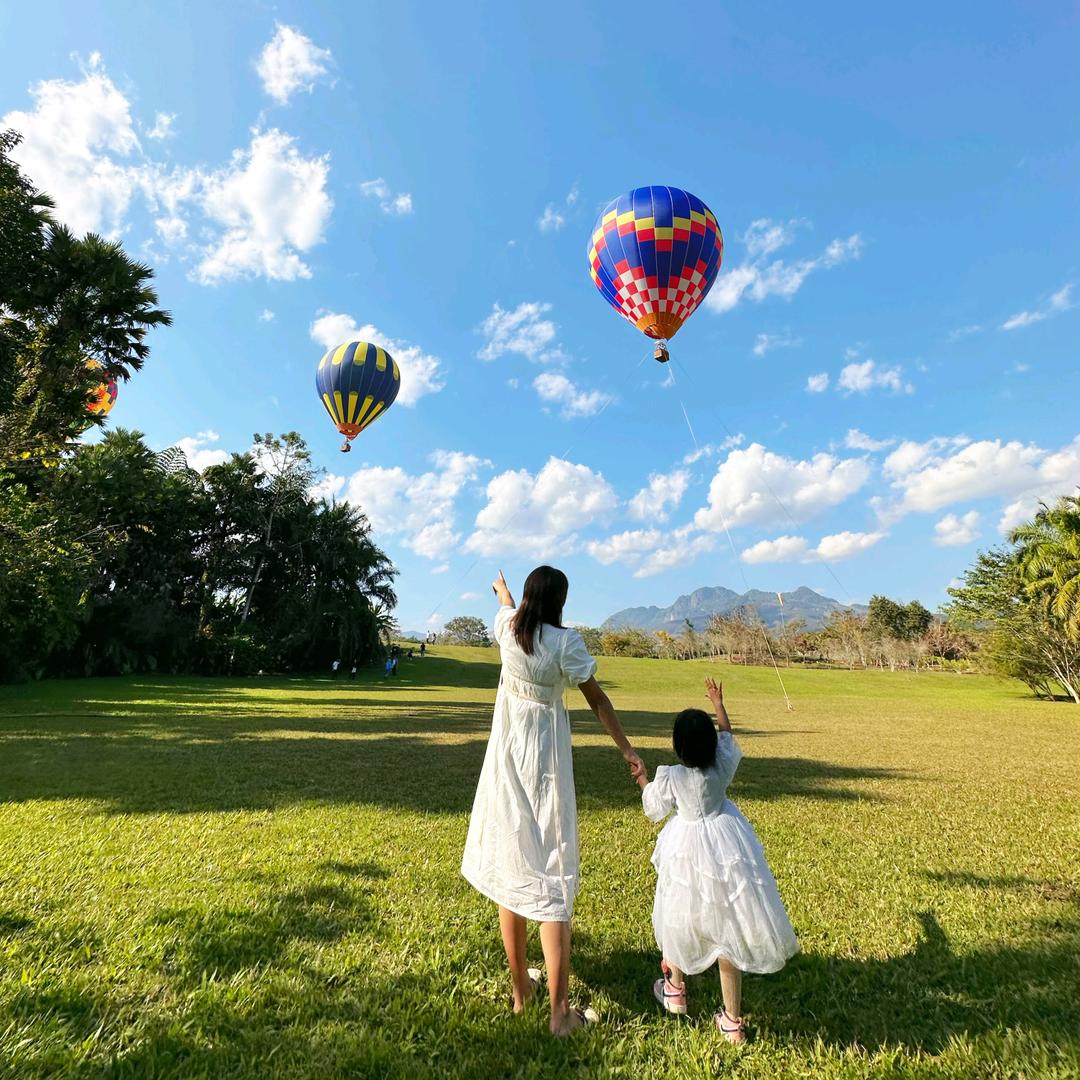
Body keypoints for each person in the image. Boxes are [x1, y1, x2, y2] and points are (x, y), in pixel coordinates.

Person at [462, 566, 644, 1037]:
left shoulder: (509, 632)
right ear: (560, 601)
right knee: (553, 869)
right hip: (543, 764)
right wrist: (627, 748)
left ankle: (522, 991)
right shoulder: (566, 644)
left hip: (506, 759)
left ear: (526, 596)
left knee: (512, 862)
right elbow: (597, 701)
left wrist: (502, 591)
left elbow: (504, 611)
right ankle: (560, 1015)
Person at [635, 677, 798, 1044]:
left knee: (679, 916)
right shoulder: (721, 766)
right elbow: (728, 738)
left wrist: (644, 778)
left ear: (678, 748)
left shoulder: (673, 776)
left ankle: (675, 989)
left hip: (685, 845)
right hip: (726, 842)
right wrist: (718, 704)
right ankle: (732, 1021)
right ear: (711, 743)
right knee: (729, 930)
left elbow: (654, 807)